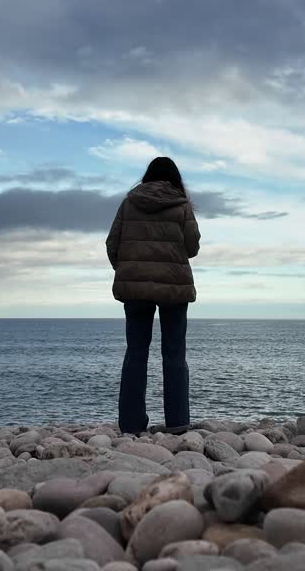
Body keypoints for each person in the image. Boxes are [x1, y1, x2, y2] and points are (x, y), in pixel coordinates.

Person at [105, 156, 201, 435]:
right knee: (174, 354)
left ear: (146, 177)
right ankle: (178, 423)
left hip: (134, 290)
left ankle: (131, 425)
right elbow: (192, 247)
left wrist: (128, 271)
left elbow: (113, 243)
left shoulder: (129, 203)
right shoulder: (181, 206)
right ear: (175, 179)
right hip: (174, 286)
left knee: (136, 353)